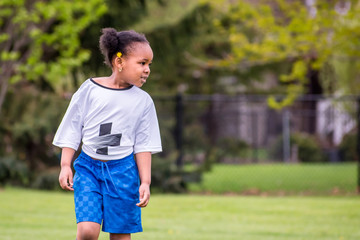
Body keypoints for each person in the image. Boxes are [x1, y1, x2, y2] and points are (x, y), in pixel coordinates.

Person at [53, 28, 162, 240]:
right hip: (88, 170)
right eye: (142, 63)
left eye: (149, 64)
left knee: (120, 236)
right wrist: (65, 164)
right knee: (87, 231)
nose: (147, 69)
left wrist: (145, 181)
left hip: (123, 172)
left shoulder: (144, 102)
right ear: (119, 62)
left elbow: (143, 145)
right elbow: (73, 128)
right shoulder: (89, 89)